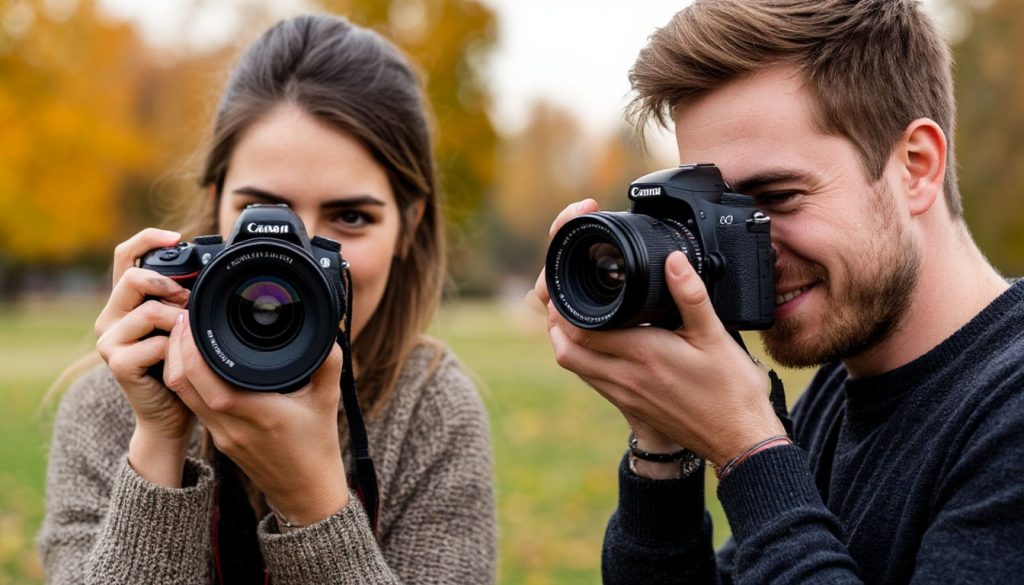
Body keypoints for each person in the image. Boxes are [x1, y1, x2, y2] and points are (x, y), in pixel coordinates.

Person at [534, 0, 1024, 583]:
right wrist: (660, 445)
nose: (746, 250)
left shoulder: (1007, 416)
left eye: (778, 197)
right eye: (715, 211)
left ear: (916, 166)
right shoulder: (837, 396)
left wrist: (751, 448)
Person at [38, 13, 496, 585]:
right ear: (216, 207)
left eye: (350, 217)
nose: (297, 257)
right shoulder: (111, 406)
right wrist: (158, 442)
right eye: (263, 212)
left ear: (408, 227)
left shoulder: (431, 412)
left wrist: (313, 501)